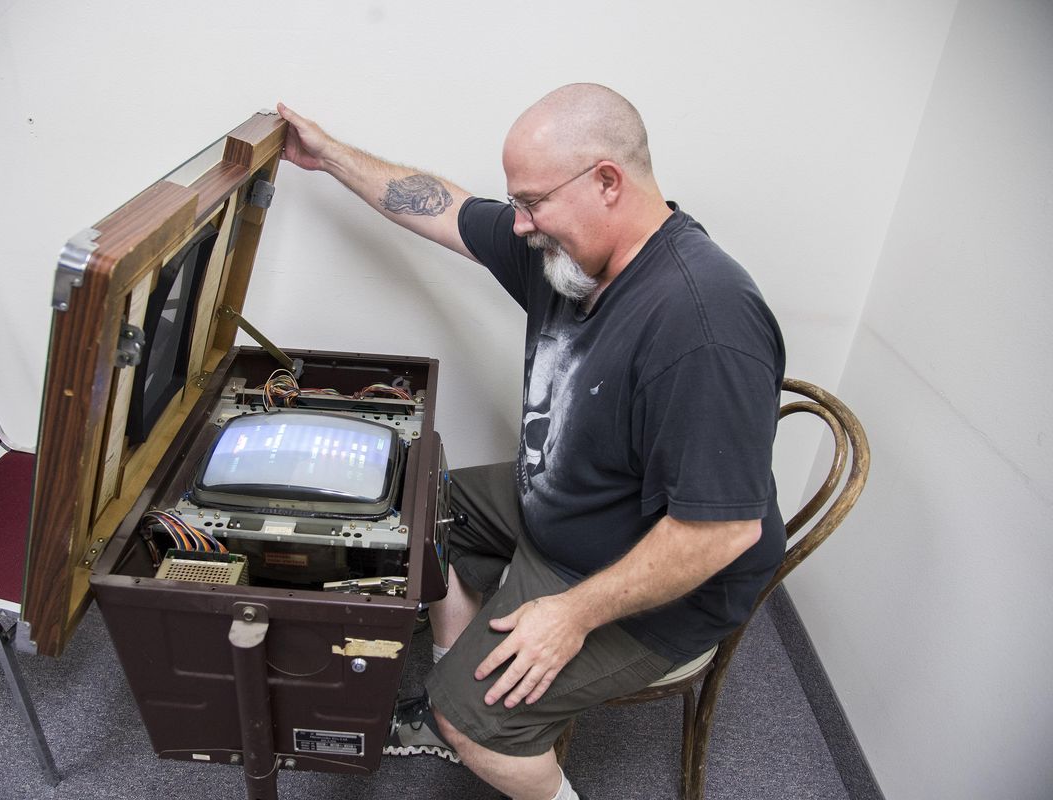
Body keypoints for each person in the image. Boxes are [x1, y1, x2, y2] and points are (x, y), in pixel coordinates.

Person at [276, 84, 786, 800]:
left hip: (666, 575)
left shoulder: (703, 324)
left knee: (474, 723)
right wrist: (328, 156)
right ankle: (454, 664)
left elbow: (723, 531)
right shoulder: (569, 256)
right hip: (572, 504)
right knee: (413, 500)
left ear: (608, 181)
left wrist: (570, 615)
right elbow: (441, 205)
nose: (519, 225)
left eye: (532, 203)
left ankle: (460, 718)